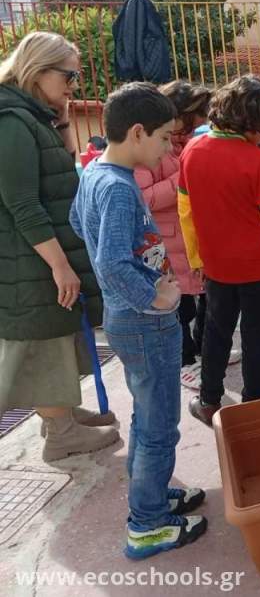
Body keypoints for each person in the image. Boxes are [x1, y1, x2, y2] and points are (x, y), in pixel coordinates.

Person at [70, 82, 208, 559]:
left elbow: (77, 223)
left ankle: (152, 495)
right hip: (144, 322)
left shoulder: (97, 172)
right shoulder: (117, 187)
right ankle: (147, 524)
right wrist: (155, 295)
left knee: (148, 415)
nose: (169, 147)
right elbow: (110, 262)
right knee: (159, 425)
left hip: (128, 319)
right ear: (136, 132)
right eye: (165, 137)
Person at [0, 31, 118, 462]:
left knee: (58, 333)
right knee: (44, 342)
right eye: (69, 76)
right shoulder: (11, 122)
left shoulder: (32, 116)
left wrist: (64, 119)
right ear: (37, 70)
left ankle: (61, 416)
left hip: (38, 253)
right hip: (29, 259)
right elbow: (23, 203)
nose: (74, 85)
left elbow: (63, 172)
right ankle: (60, 434)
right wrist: (59, 265)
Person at [178, 75, 260, 426]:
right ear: (254, 124)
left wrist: (196, 258)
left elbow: (185, 212)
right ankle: (255, 405)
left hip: (216, 267)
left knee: (216, 332)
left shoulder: (191, 151)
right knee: (258, 338)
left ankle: (208, 401)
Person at [134, 81, 214, 390]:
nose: (185, 136)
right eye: (181, 130)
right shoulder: (148, 151)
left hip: (191, 236)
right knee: (178, 305)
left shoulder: (187, 144)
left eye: (192, 130)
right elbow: (144, 197)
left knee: (206, 296)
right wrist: (184, 178)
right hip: (166, 241)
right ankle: (183, 360)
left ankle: (204, 351)